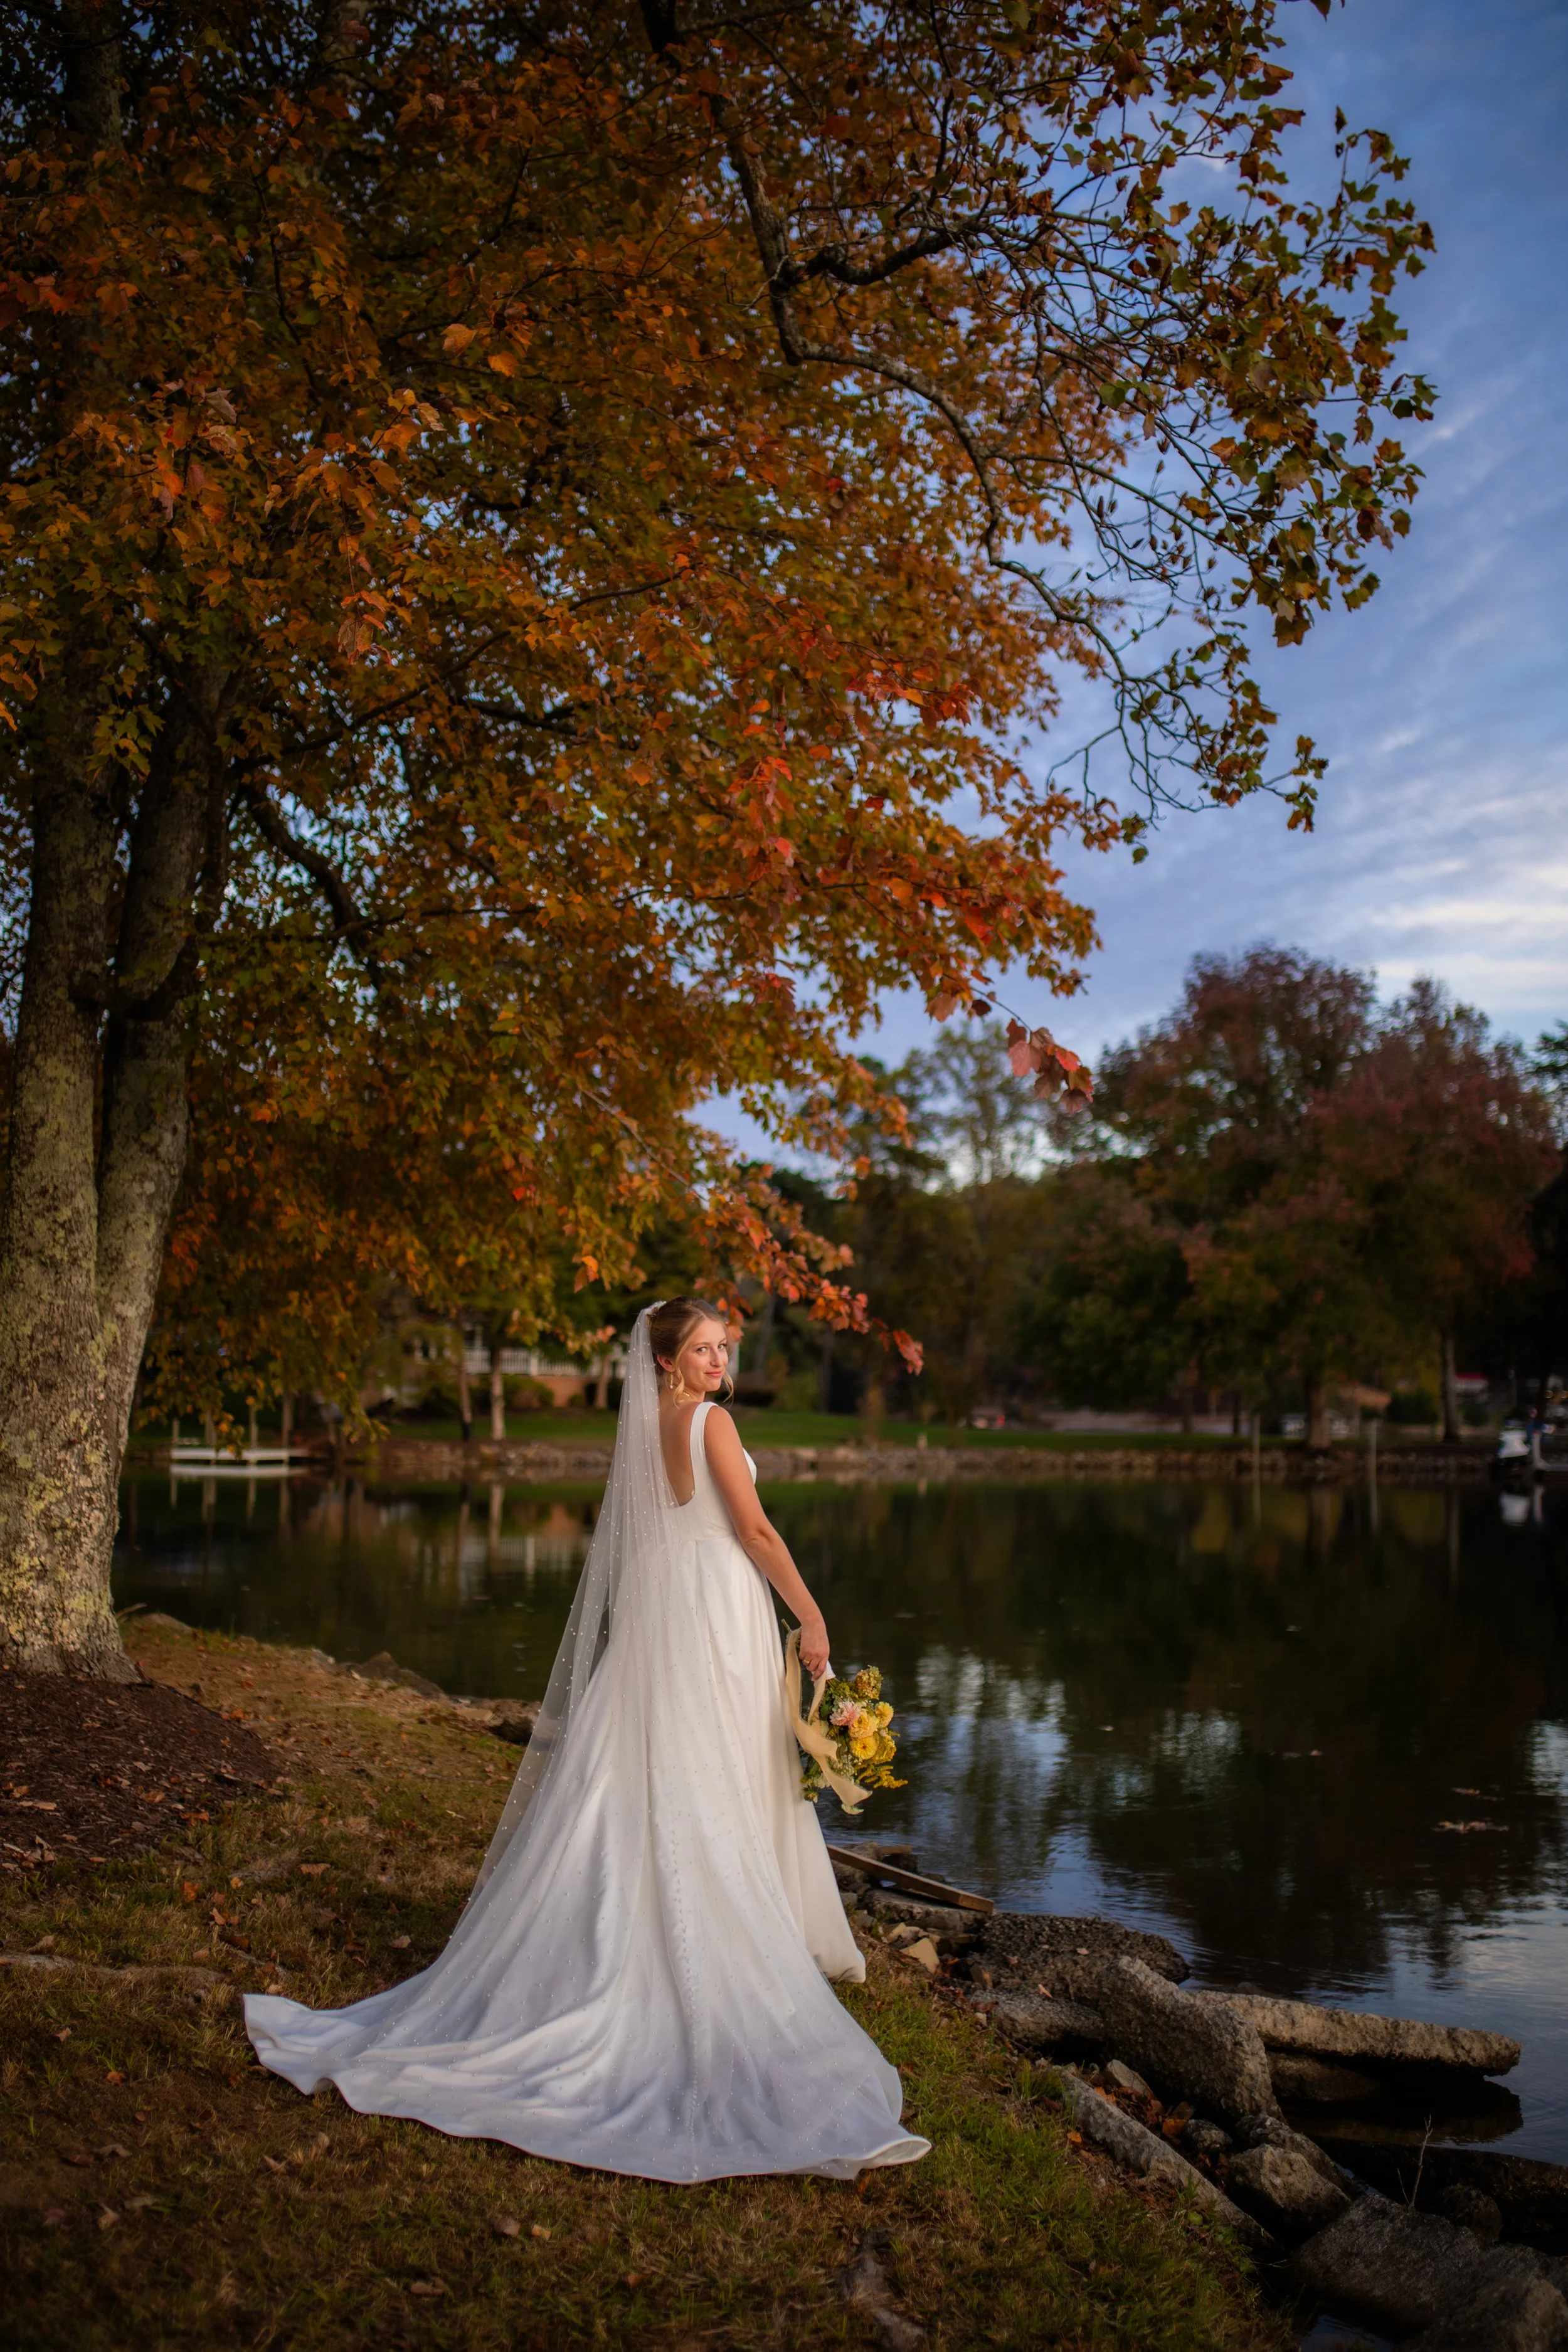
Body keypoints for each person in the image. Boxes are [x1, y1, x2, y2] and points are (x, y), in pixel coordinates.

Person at [244, 1298, 928, 2182]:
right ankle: (709, 1939)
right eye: (704, 1347)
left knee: (647, 1771)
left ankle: (638, 1925)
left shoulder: (647, 1425)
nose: (721, 1358)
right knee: (711, 1771)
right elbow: (754, 1531)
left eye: (725, 1345)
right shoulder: (711, 1423)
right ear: (669, 1359)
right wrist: (812, 1613)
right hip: (715, 1610)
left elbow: (650, 1534)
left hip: (663, 1613)